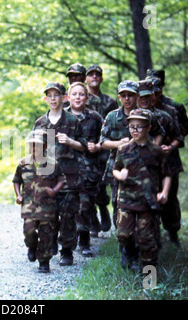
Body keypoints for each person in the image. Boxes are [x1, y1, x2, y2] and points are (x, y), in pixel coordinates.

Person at [34, 82, 88, 266]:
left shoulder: (73, 121)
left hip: (69, 177)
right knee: (49, 215)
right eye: (50, 95)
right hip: (48, 178)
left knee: (67, 216)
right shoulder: (40, 123)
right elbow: (34, 152)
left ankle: (66, 251)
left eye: (57, 95)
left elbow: (84, 147)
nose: (53, 98)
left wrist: (71, 142)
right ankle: (50, 246)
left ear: (64, 98)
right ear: (45, 99)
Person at [100, 80, 164, 228]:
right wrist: (118, 144)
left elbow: (159, 133)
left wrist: (153, 149)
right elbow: (102, 142)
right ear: (119, 97)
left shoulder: (146, 115)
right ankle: (123, 241)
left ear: (137, 96)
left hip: (144, 167)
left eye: (131, 95)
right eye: (124, 95)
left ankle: (145, 237)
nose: (127, 98)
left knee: (146, 201)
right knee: (118, 202)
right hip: (119, 166)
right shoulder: (112, 117)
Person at [113, 109, 172, 271]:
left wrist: (164, 192)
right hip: (126, 200)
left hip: (148, 202)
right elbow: (115, 168)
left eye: (139, 127)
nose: (135, 130)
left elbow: (167, 174)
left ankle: (149, 281)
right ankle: (129, 251)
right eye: (132, 127)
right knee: (123, 235)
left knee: (147, 240)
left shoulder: (156, 151)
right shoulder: (123, 149)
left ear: (148, 128)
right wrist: (120, 175)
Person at [13, 130, 66, 273]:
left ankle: (44, 261)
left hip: (47, 207)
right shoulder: (23, 163)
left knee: (46, 234)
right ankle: (31, 246)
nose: (34, 148)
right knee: (29, 231)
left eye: (37, 145)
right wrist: (18, 195)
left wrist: (54, 190)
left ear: (44, 146)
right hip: (29, 206)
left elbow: (62, 179)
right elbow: (16, 180)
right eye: (32, 145)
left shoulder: (52, 163)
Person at [65, 82, 103, 256]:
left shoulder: (95, 117)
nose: (78, 97)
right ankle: (64, 242)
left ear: (87, 98)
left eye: (81, 94)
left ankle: (84, 242)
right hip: (66, 168)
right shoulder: (62, 116)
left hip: (89, 168)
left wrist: (98, 146)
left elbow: (106, 137)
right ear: (68, 97)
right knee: (66, 206)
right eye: (74, 94)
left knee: (85, 205)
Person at [148, 77, 186, 246]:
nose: (153, 96)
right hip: (147, 164)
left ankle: (173, 232)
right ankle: (152, 237)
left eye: (156, 92)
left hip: (169, 161)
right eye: (150, 93)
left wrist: (170, 147)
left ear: (160, 91)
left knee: (169, 198)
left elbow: (180, 135)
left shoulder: (171, 109)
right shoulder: (137, 110)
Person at [84, 64, 118, 234]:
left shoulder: (110, 102)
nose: (94, 77)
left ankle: (104, 209)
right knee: (89, 186)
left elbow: (115, 124)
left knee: (102, 184)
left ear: (102, 78)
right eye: (91, 75)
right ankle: (93, 219)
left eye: (98, 74)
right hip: (86, 149)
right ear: (86, 79)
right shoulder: (80, 98)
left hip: (105, 149)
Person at [146, 69, 188, 138]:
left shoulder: (175, 105)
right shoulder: (141, 104)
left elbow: (186, 127)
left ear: (162, 85)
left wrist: (173, 142)